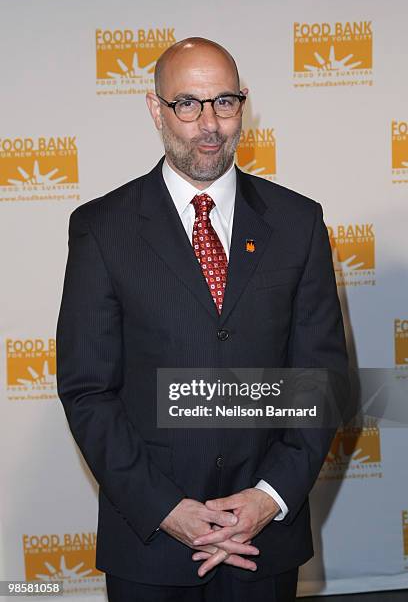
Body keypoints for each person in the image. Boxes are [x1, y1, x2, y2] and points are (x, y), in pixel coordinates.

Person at [56, 37, 348, 602]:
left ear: (245, 104)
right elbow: (88, 389)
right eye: (187, 103)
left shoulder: (299, 222)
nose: (209, 123)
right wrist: (165, 508)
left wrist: (270, 496)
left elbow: (322, 378)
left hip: (264, 542)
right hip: (150, 544)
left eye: (224, 102)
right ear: (155, 108)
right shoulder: (101, 228)